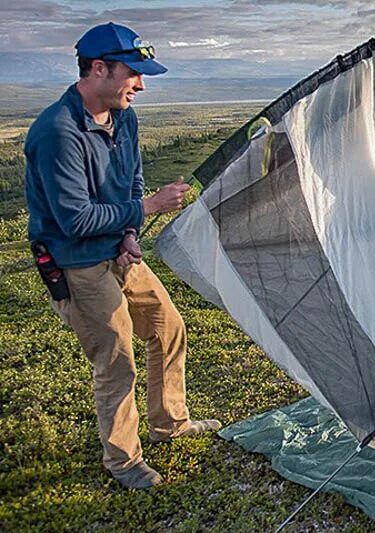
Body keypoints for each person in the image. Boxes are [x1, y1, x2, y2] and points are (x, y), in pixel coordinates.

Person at [24, 22, 220, 490]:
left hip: (118, 249)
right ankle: (124, 461)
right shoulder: (56, 132)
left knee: (168, 327)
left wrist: (131, 229)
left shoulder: (124, 116)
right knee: (116, 359)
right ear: (98, 69)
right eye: (133, 73)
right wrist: (147, 208)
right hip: (76, 262)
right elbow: (74, 220)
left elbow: (131, 179)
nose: (141, 85)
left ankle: (169, 424)